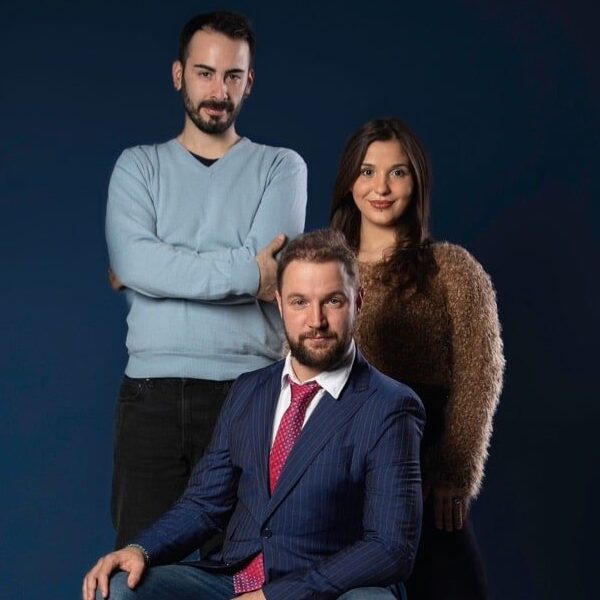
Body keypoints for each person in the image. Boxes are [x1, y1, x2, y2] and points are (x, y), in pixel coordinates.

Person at [83, 230, 425, 600]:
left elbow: (390, 548)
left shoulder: (390, 406)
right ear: (279, 304)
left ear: (358, 301)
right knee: (117, 590)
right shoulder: (249, 390)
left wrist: (276, 596)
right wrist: (140, 549)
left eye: (333, 301)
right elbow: (203, 504)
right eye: (299, 302)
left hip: (326, 589)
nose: (316, 321)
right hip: (233, 578)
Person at [105, 11, 307, 549]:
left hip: (249, 392)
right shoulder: (137, 167)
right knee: (139, 570)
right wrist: (244, 269)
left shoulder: (280, 167)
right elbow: (134, 264)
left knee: (246, 569)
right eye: (204, 73)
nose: (218, 91)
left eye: (232, 76)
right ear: (178, 75)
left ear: (250, 82)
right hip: (151, 396)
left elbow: (274, 272)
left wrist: (165, 267)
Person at [330, 118, 505, 600]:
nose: (380, 188)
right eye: (367, 171)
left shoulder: (452, 268)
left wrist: (456, 473)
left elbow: (481, 373)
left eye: (397, 172)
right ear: (349, 180)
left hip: (424, 469)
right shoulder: (324, 268)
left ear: (417, 181)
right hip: (341, 474)